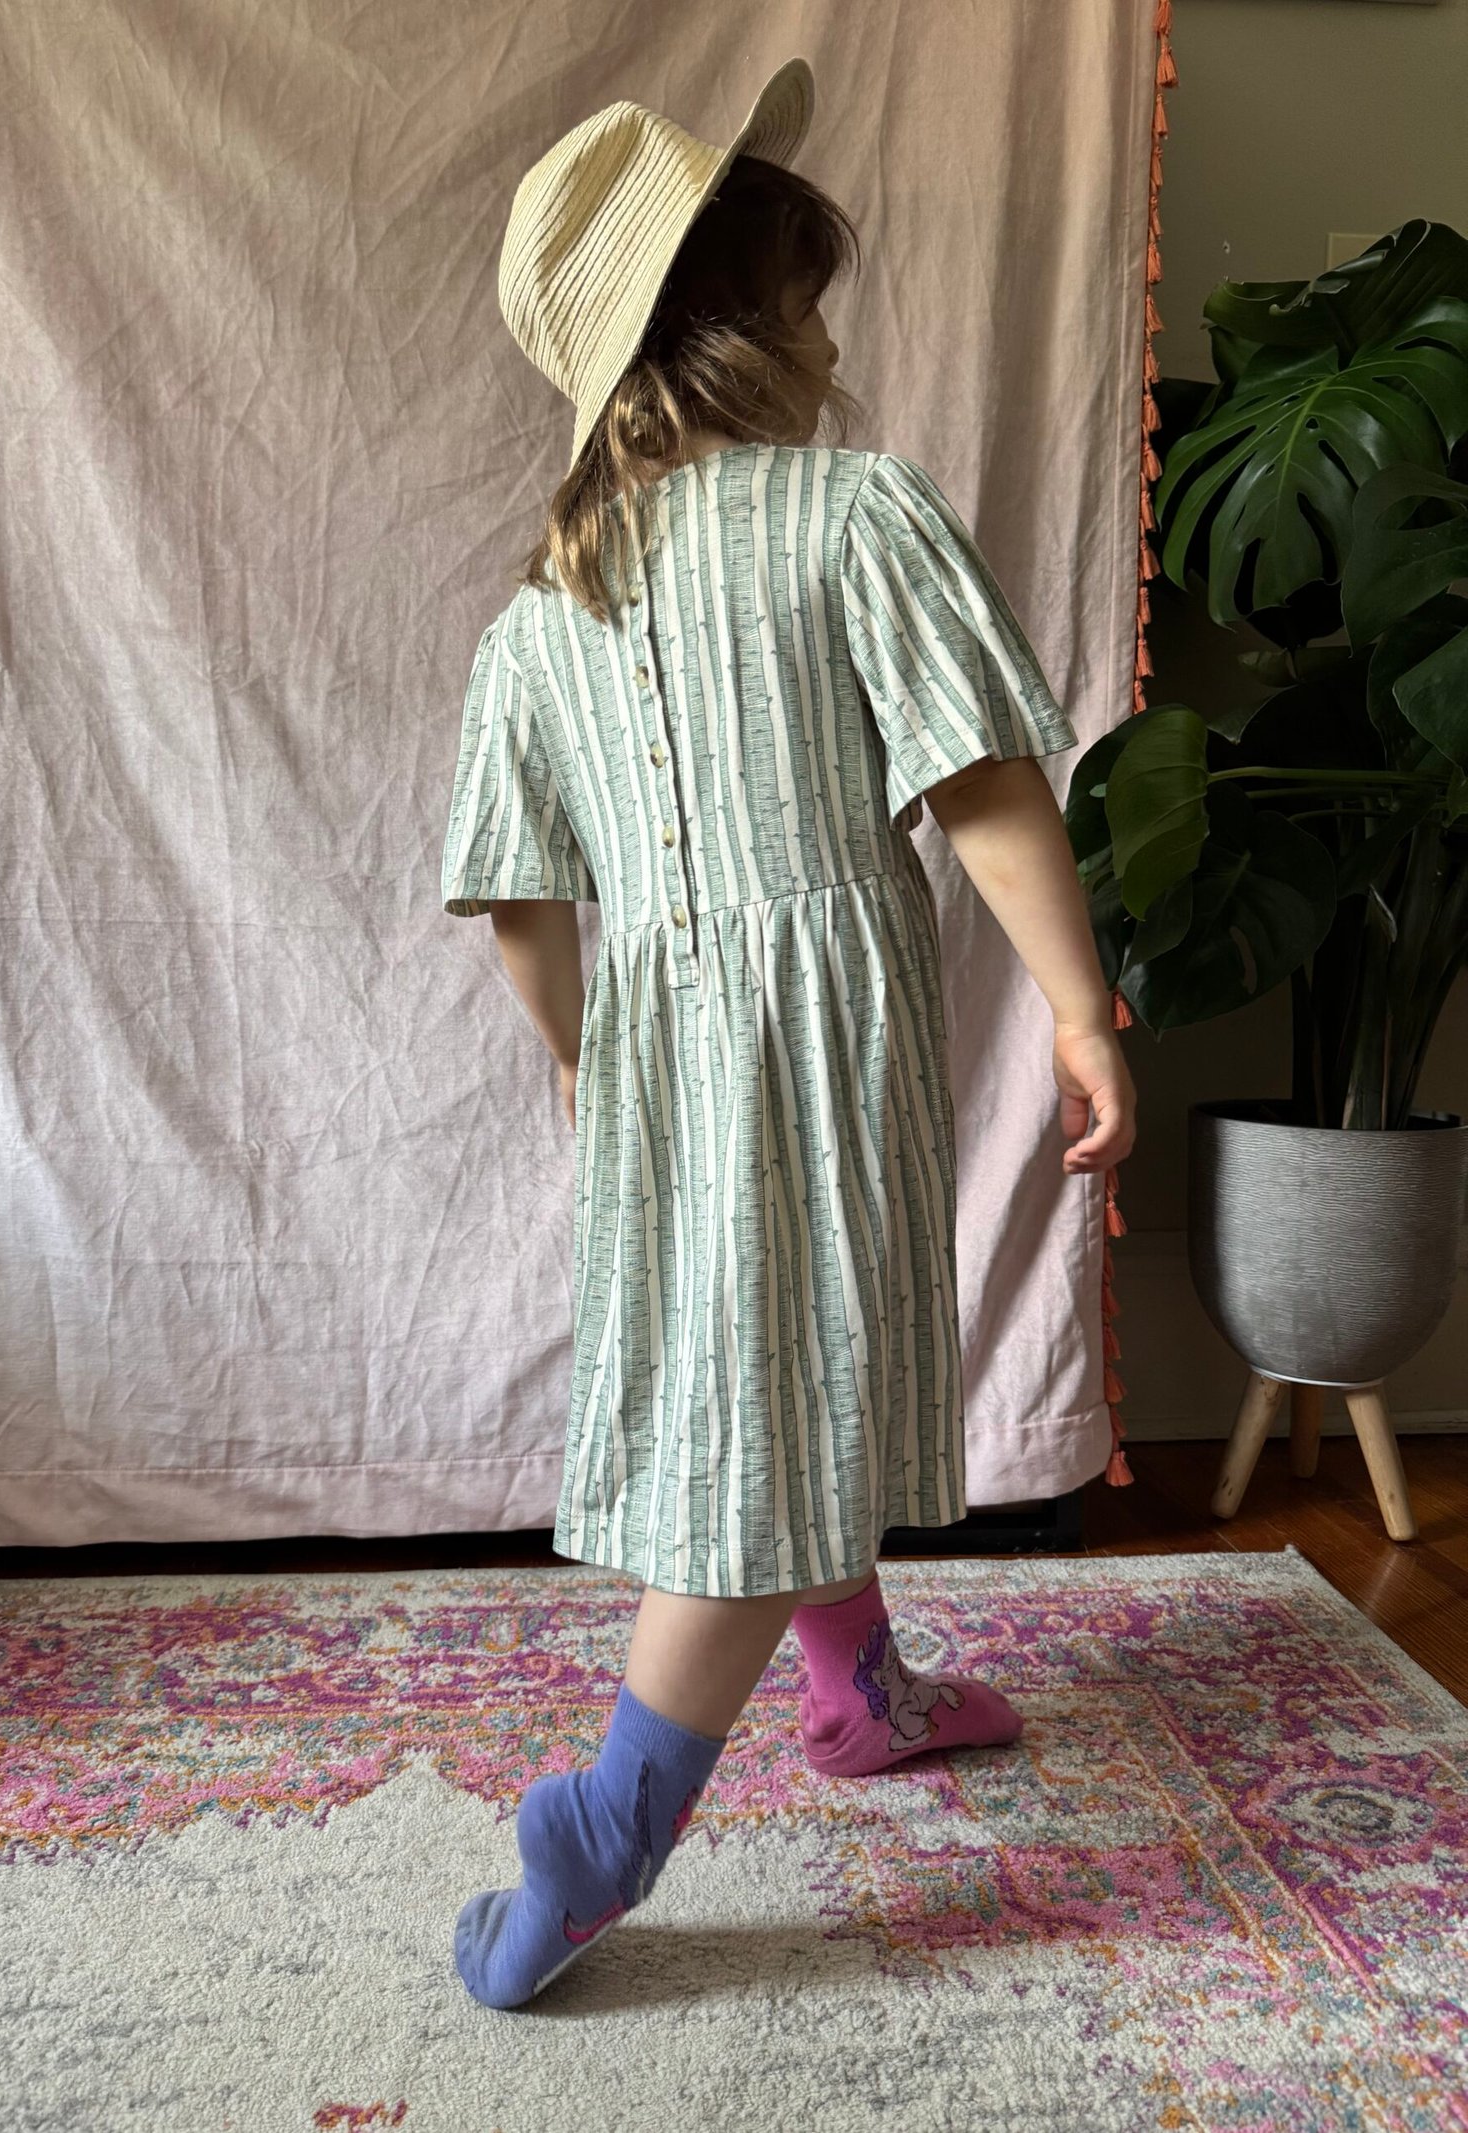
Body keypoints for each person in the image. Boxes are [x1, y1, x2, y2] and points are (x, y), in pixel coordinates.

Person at [438, 57, 1136, 2011]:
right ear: (736, 325)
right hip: (815, 1034)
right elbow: (981, 777)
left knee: (768, 1359)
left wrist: (579, 1047)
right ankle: (610, 1814)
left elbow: (512, 889)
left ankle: (853, 1689)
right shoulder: (847, 514)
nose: (827, 337)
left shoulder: (538, 608)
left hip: (659, 1048)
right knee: (774, 1401)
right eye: (802, 298)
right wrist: (1080, 1005)